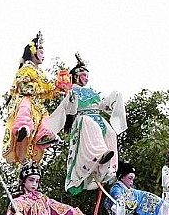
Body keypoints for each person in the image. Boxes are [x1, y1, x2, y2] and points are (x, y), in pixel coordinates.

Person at [45, 53, 125, 194]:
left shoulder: (91, 91)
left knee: (111, 133)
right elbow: (68, 108)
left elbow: (101, 105)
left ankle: (109, 169)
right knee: (91, 126)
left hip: (98, 117)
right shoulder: (72, 90)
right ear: (76, 76)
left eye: (87, 75)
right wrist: (69, 95)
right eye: (84, 75)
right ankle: (100, 154)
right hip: (84, 118)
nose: (86, 78)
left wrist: (113, 98)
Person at [2, 32, 67, 165]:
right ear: (33, 52)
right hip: (26, 99)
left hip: (37, 105)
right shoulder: (26, 69)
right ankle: (22, 127)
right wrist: (44, 89)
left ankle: (43, 136)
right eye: (41, 51)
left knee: (45, 117)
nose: (43, 55)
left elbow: (47, 90)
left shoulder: (39, 72)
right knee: (25, 109)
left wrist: (58, 89)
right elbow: (25, 88)